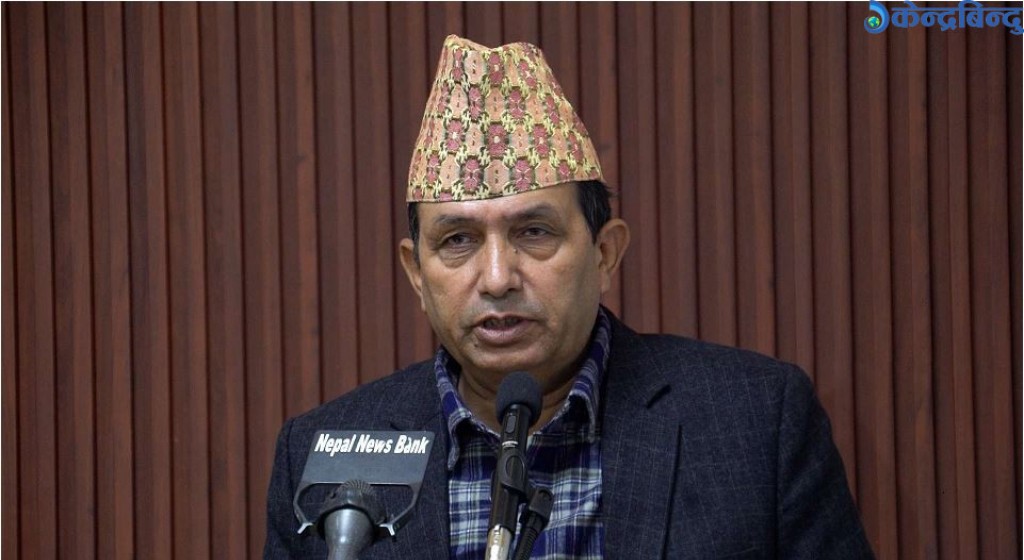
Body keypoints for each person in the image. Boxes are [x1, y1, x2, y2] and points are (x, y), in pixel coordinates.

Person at [264, 35, 874, 559]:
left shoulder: (755, 422)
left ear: (605, 253)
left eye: (534, 232)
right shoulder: (320, 455)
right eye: (457, 240)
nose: (497, 278)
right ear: (416, 273)